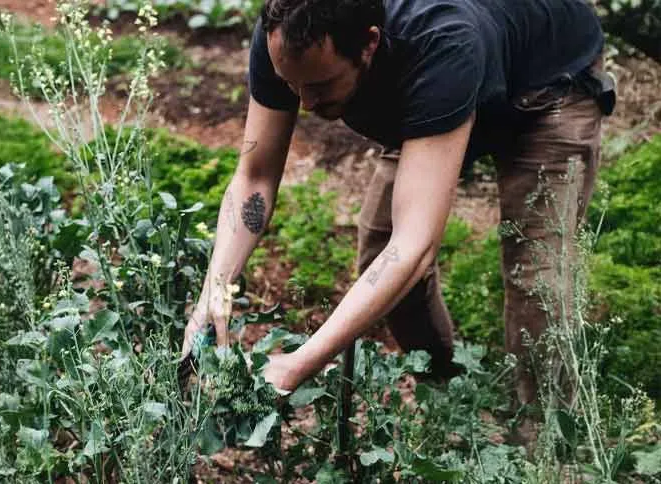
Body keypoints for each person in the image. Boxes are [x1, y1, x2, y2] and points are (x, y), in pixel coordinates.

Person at [180, 0, 615, 407]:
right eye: (290, 84)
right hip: (438, 85)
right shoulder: (287, 33)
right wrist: (213, 294)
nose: (304, 104)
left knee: (536, 278)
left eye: (320, 85)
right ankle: (447, 390)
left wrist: (299, 362)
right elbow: (255, 177)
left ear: (370, 43)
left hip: (547, 88)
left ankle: (543, 436)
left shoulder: (441, 41)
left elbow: (415, 243)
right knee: (379, 252)